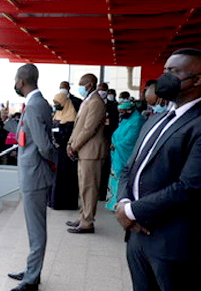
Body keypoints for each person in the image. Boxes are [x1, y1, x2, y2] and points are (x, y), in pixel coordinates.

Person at [115, 49, 201, 291]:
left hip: (173, 240)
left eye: (173, 72)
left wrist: (131, 211)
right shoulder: (157, 118)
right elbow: (130, 167)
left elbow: (190, 187)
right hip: (138, 235)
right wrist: (123, 202)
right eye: (164, 70)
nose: (163, 77)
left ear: (198, 80)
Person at [6, 64, 57, 291]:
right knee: (33, 228)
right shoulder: (36, 103)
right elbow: (26, 134)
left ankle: (32, 278)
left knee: (36, 230)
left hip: (35, 174)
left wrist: (52, 165)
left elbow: (45, 146)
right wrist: (8, 122)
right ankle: (30, 269)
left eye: (16, 80)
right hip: (33, 172)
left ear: (21, 81)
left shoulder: (35, 105)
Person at [66, 73, 108, 233]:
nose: (79, 87)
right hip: (83, 151)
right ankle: (83, 216)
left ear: (90, 85)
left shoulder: (96, 102)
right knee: (83, 187)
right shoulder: (88, 101)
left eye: (81, 84)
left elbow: (88, 129)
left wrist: (74, 146)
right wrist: (70, 143)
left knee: (90, 187)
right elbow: (78, 127)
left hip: (91, 152)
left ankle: (88, 222)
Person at [105, 99, 145, 211]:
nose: (120, 114)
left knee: (124, 178)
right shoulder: (126, 119)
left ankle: (122, 205)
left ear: (129, 110)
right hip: (118, 154)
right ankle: (113, 204)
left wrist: (116, 145)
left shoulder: (137, 121)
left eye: (122, 111)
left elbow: (131, 140)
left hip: (126, 154)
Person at [50, 92, 79, 210]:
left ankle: (67, 203)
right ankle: (55, 202)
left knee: (67, 177)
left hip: (66, 151)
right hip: (56, 151)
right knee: (56, 178)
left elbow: (70, 134)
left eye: (58, 103)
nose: (56, 105)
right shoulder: (57, 114)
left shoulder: (71, 116)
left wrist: (60, 140)